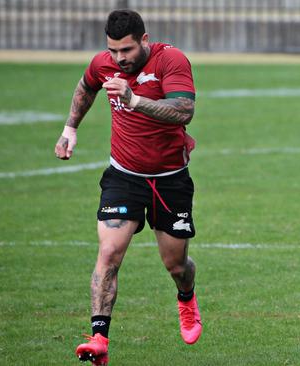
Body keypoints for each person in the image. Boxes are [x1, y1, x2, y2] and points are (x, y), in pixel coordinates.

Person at [54, 9, 202, 365]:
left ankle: (187, 299)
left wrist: (134, 100)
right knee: (108, 254)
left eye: (128, 50)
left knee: (176, 265)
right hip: (124, 177)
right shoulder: (104, 64)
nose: (120, 58)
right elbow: (86, 85)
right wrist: (70, 128)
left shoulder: (172, 60)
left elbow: (184, 110)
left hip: (169, 180)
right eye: (114, 51)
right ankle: (99, 338)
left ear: (144, 41)